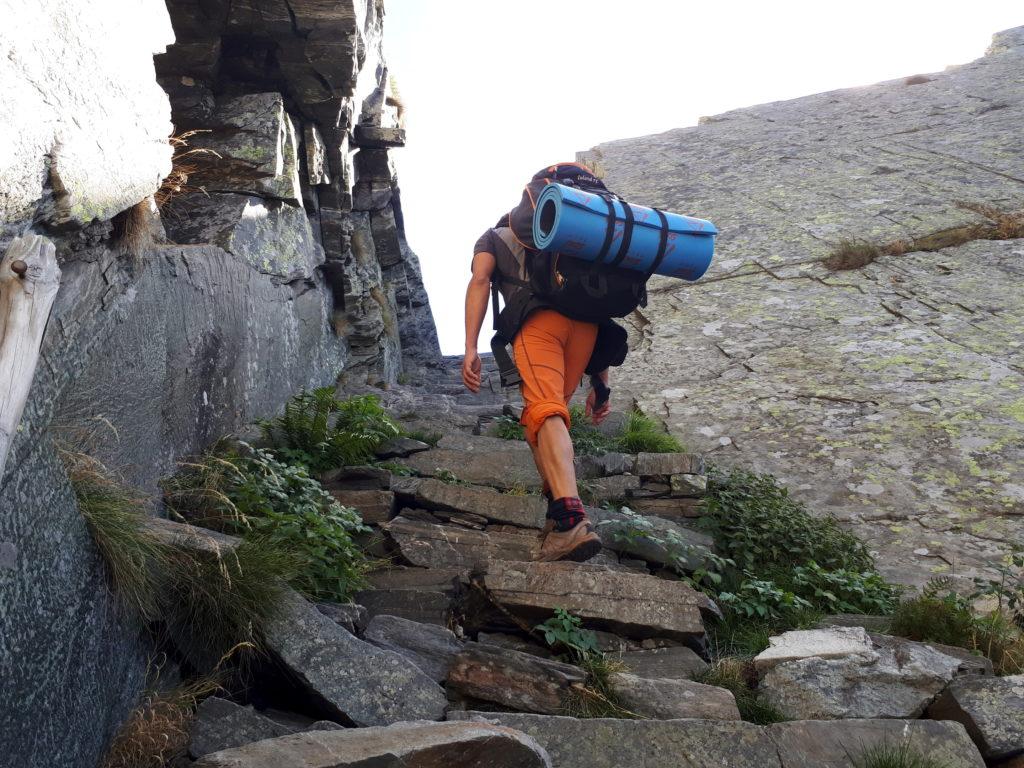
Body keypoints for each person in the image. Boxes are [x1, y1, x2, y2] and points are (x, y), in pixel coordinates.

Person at [462, 230, 610, 563]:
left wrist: (471, 346)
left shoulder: (497, 235)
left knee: (546, 411)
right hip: (586, 329)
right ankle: (557, 514)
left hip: (539, 320)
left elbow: (480, 280)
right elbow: (602, 299)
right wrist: (601, 385)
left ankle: (572, 521)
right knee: (546, 417)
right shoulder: (579, 236)